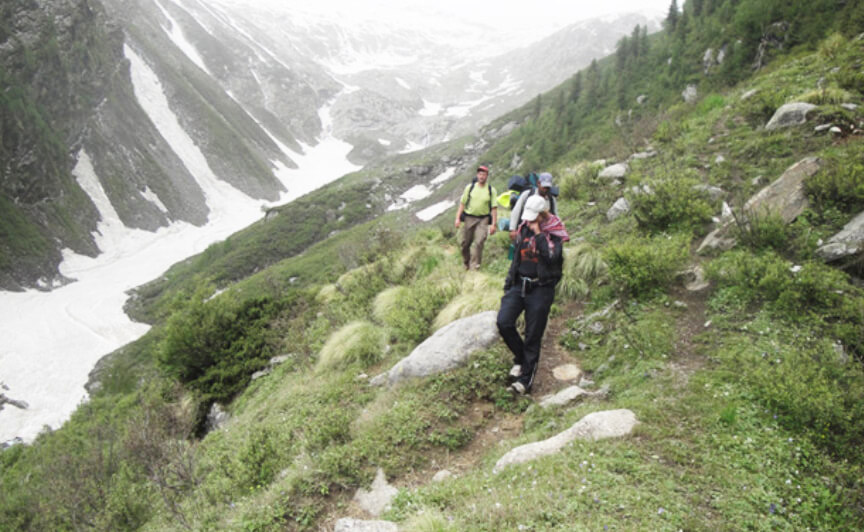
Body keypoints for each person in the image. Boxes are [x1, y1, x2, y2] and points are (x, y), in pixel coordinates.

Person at [497, 194, 569, 395]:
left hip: (541, 288)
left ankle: (524, 381)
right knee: (504, 322)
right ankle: (520, 358)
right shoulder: (523, 228)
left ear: (541, 214)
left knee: (532, 335)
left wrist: (539, 234)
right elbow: (516, 259)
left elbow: (552, 258)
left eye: (532, 218)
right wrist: (508, 284)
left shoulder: (554, 232)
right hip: (519, 284)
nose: (528, 221)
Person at [454, 166, 498, 270]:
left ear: (487, 176)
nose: (482, 176)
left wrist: (493, 224)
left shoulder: (491, 190)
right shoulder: (470, 188)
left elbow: (494, 208)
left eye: (484, 174)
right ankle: (466, 263)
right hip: (469, 218)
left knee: (479, 241)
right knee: (465, 243)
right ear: (477, 175)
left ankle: (475, 267)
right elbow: (462, 203)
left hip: (483, 219)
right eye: (480, 174)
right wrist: (457, 218)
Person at [509, 172, 558, 242]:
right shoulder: (527, 194)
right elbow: (516, 211)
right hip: (526, 231)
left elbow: (555, 215)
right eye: (544, 186)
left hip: (544, 233)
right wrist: (512, 229)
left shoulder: (551, 199)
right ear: (538, 183)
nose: (545, 189)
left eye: (548, 187)